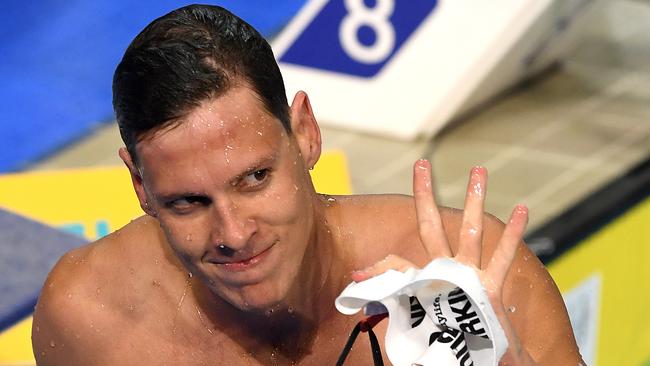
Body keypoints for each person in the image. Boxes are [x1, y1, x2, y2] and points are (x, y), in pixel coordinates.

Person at [31, 4, 582, 365]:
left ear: (305, 134)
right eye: (188, 202)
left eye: (254, 178)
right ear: (141, 186)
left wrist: (498, 361)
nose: (234, 233)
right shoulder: (92, 318)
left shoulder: (469, 282)